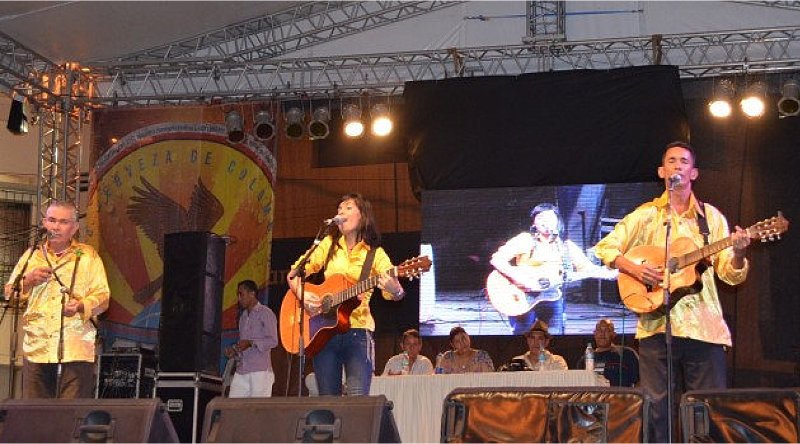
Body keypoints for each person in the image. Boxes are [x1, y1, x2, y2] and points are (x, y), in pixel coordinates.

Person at [594, 141, 752, 442]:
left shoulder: (711, 218)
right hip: (656, 325)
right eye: (671, 160)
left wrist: (740, 253)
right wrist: (634, 269)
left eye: (683, 161)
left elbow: (730, 275)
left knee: (706, 407)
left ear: (693, 173)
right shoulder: (646, 215)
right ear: (661, 171)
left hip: (703, 328)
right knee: (656, 408)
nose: (677, 165)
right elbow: (606, 247)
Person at [287, 193, 405, 396]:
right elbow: (294, 274)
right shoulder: (328, 244)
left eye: (348, 207)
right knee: (328, 401)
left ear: (363, 216)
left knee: (357, 401)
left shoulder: (375, 254)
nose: (341, 211)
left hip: (358, 332)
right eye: (339, 208)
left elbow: (394, 292)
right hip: (323, 333)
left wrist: (396, 290)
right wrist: (302, 295)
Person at [3, 201, 109, 399]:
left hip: (75, 346)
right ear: (44, 223)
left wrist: (79, 306)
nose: (56, 227)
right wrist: (28, 281)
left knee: (70, 415)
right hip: (38, 347)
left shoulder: (88, 256)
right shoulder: (32, 255)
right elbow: (9, 293)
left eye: (63, 222)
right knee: (35, 415)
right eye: (51, 220)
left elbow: (103, 298)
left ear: (75, 227)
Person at [490, 203, 616, 335]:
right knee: (522, 338)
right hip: (521, 297)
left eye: (550, 218)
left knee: (556, 339)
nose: (546, 222)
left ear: (558, 221)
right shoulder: (525, 240)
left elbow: (588, 268)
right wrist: (521, 280)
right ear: (534, 224)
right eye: (541, 218)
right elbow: (497, 259)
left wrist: (613, 273)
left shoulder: (565, 247)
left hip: (552, 297)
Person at [224, 279, 279, 398]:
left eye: (241, 294)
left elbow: (273, 341)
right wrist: (234, 351)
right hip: (242, 370)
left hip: (260, 371)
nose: (239, 298)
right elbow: (243, 345)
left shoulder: (266, 313)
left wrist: (251, 343)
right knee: (232, 408)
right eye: (238, 295)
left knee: (257, 413)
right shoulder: (243, 317)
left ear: (252, 294)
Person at [575, 319, 639, 387]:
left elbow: (639, 382)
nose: (602, 334)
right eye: (599, 330)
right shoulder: (584, 360)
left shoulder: (627, 354)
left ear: (613, 334)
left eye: (607, 330)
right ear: (594, 333)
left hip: (621, 397)